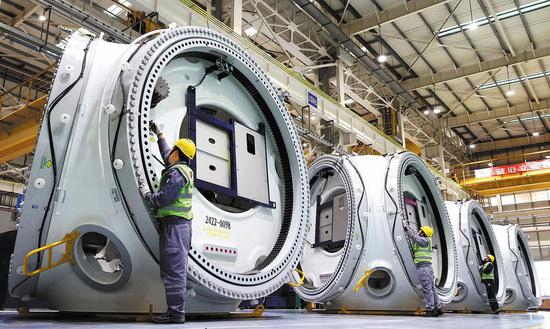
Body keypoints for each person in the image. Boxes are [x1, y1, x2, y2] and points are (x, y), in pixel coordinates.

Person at [140, 121, 196, 324]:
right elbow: (166, 155)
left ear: (178, 153)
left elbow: (164, 198)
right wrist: (160, 134)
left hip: (175, 229)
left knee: (174, 272)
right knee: (172, 271)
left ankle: (176, 315)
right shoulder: (181, 169)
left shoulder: (176, 173)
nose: (169, 151)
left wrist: (147, 194)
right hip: (177, 227)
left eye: (173, 149)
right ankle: (175, 312)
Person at [405, 225, 442, 317]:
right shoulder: (426, 241)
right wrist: (409, 228)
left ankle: (430, 309)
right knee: (432, 288)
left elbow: (414, 237)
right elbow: (415, 235)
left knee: (427, 289)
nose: (419, 231)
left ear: (423, 233)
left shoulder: (424, 241)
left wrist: (406, 230)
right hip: (427, 267)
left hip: (423, 268)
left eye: (420, 231)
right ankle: (438, 308)